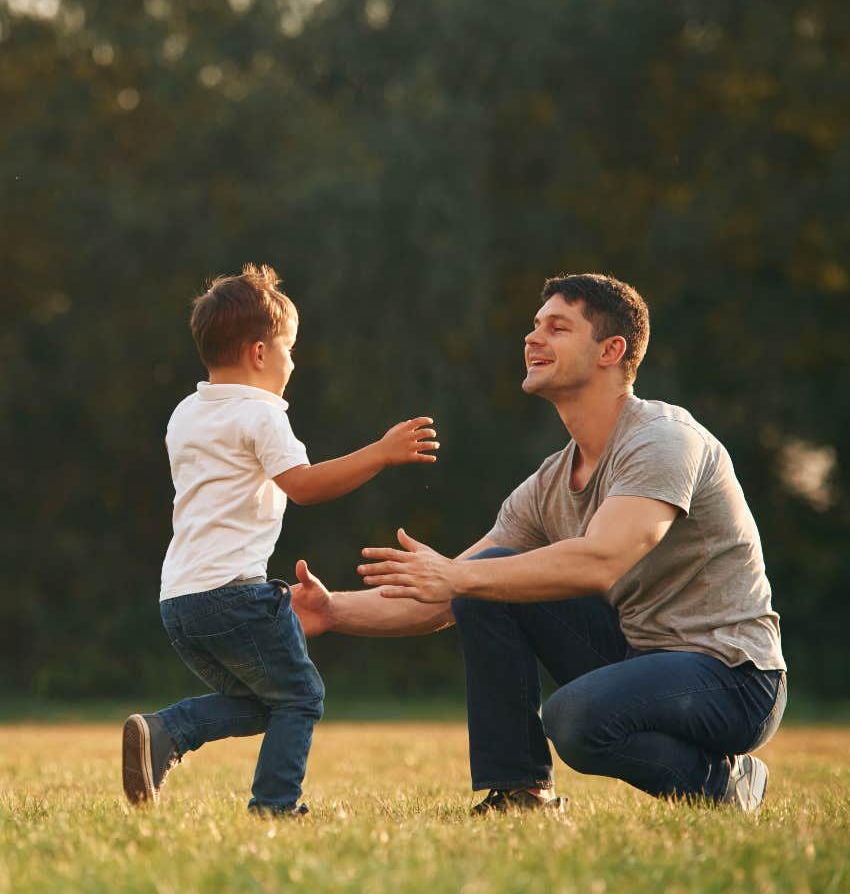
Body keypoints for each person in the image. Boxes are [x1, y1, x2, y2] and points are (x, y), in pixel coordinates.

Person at [291, 273, 787, 814]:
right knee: (488, 579)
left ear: (611, 350)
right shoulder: (548, 483)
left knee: (573, 717)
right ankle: (521, 793)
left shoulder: (663, 439)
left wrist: (460, 577)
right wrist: (331, 610)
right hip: (639, 654)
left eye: (557, 327)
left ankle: (723, 784)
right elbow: (448, 591)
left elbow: (603, 559)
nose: (532, 338)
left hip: (733, 676)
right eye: (534, 326)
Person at [121, 263, 439, 816]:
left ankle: (165, 731)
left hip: (180, 601)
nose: (293, 361)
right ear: (260, 353)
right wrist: (381, 453)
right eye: (289, 347)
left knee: (265, 702)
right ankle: (275, 806)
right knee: (302, 696)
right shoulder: (261, 412)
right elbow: (305, 487)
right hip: (234, 593)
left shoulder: (186, 413)